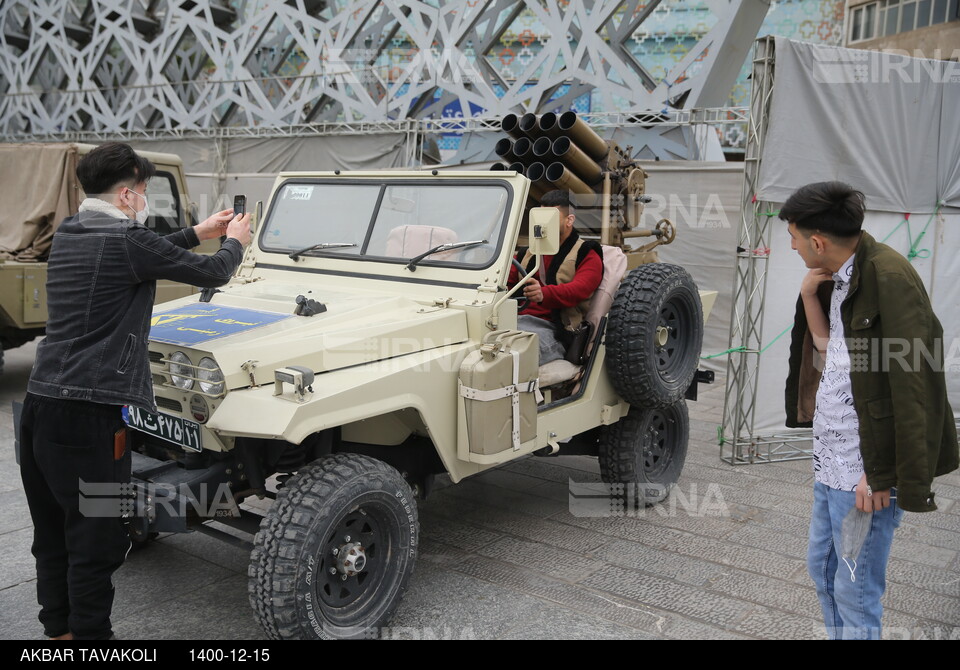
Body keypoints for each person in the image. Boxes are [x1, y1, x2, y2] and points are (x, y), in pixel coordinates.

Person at [18, 142, 252, 640]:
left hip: (41, 404)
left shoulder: (72, 230)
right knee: (97, 536)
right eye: (143, 192)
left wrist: (197, 232)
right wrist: (233, 240)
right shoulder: (126, 237)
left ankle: (58, 632)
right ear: (127, 195)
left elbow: (142, 254)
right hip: (90, 415)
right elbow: (214, 272)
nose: (145, 201)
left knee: (54, 530)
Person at [781, 181, 958, 640]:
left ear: (818, 241)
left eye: (794, 239)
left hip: (865, 472)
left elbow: (914, 383)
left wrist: (883, 473)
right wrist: (807, 297)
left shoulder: (890, 279)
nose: (793, 247)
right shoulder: (839, 278)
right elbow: (830, 352)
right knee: (822, 574)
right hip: (830, 461)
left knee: (855, 590)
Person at [508, 190, 603, 364]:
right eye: (541, 216)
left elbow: (580, 290)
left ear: (569, 220)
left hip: (555, 330)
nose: (543, 223)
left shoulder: (586, 254)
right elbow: (505, 282)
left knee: (510, 359)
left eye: (550, 217)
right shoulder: (527, 252)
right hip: (516, 320)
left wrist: (544, 293)